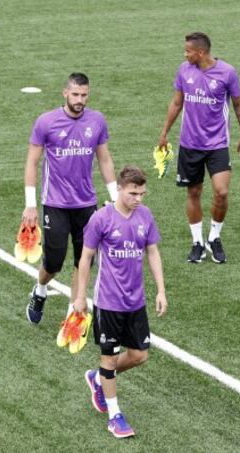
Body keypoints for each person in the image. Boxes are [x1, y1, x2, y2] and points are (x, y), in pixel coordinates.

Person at [72, 165, 167, 438]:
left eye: (142, 193)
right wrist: (80, 296)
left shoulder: (145, 216)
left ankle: (97, 378)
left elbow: (152, 252)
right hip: (108, 302)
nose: (139, 198)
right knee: (109, 359)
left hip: (135, 302)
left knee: (140, 355)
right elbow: (85, 258)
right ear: (120, 190)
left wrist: (160, 290)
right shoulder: (101, 219)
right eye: (133, 193)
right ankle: (115, 416)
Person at [22, 72, 118, 324]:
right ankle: (40, 289)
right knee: (53, 263)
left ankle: (72, 313)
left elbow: (104, 159)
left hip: (86, 205)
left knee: (83, 259)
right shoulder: (46, 122)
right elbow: (32, 162)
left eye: (84, 95)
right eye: (75, 94)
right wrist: (30, 204)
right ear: (65, 93)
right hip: (55, 204)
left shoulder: (96, 121)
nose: (80, 100)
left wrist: (116, 199)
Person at [159, 32, 240, 264]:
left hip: (218, 144)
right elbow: (177, 102)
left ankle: (214, 237)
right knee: (194, 192)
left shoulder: (227, 72)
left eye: (188, 51)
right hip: (190, 143)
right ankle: (197, 242)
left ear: (200, 52)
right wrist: (164, 133)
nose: (185, 54)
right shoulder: (184, 70)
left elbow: (238, 104)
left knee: (221, 192)